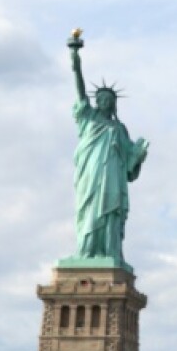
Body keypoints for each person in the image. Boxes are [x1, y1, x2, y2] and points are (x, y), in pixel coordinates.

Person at [66, 32, 149, 267]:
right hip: (91, 175)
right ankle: (86, 252)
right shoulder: (88, 118)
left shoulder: (119, 128)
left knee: (111, 212)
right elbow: (80, 90)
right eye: (100, 98)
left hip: (112, 177)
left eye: (108, 99)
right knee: (89, 210)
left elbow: (130, 162)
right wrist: (75, 60)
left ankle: (110, 251)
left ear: (113, 104)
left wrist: (139, 154)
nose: (103, 102)